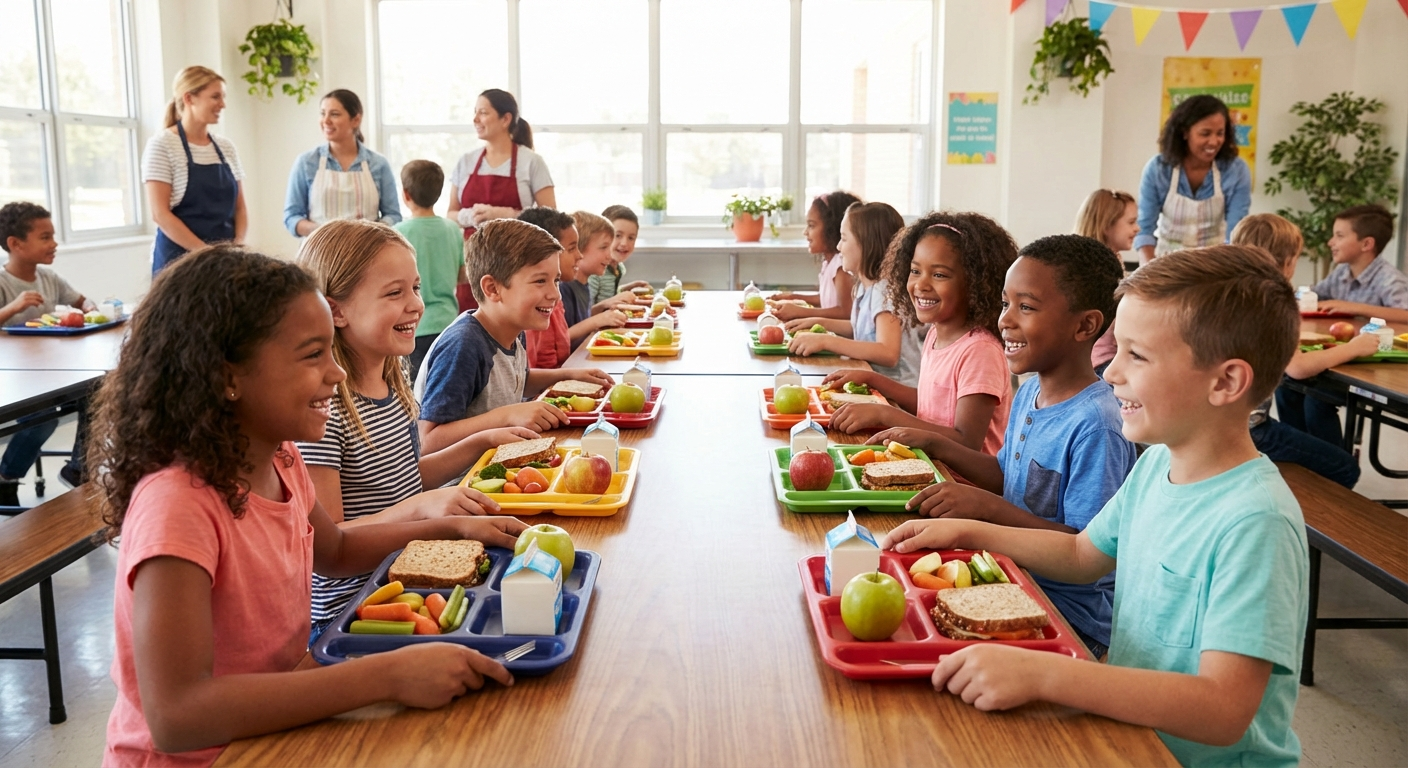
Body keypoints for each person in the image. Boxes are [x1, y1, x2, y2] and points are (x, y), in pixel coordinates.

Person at [94, 245, 527, 767]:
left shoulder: (279, 458)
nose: (336, 373)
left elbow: (338, 548)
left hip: (278, 720)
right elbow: (177, 715)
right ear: (227, 376)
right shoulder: (177, 507)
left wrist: (455, 530)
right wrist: (386, 675)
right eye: (311, 355)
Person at [883, 245, 1309, 767]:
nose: (1111, 374)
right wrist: (971, 532)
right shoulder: (1157, 467)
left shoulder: (1255, 521)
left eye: (1138, 356)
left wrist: (1047, 674)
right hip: (1133, 737)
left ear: (1225, 382)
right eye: (1118, 350)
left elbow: (1224, 710)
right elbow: (1085, 552)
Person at [872, 235, 1136, 658]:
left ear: (1085, 326)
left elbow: (1086, 549)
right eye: (1004, 303)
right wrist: (933, 443)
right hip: (1008, 575)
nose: (1005, 320)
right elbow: (1005, 475)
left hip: (1067, 616)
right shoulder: (1030, 391)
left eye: (1026, 307)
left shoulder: (1097, 425)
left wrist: (983, 508)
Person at [294, 219, 539, 639]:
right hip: (351, 612)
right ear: (335, 310)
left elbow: (404, 480)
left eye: (416, 287)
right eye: (395, 293)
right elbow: (330, 540)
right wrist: (425, 510)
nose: (416, 305)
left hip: (413, 575)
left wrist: (482, 442)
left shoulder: (393, 380)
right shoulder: (324, 408)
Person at [820, 212, 1017, 459]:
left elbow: (966, 442)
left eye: (939, 274)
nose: (921, 284)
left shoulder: (980, 351)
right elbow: (929, 405)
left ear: (975, 282)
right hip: (930, 466)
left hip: (961, 486)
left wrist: (886, 414)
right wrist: (874, 380)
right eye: (915, 271)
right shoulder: (936, 334)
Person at [416, 219, 612, 456]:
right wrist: (506, 416)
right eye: (540, 281)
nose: (555, 294)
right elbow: (426, 440)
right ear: (493, 289)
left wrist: (570, 374)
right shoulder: (464, 345)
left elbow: (517, 378)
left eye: (556, 280)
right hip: (460, 485)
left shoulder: (514, 330)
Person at [1230, 214, 1369, 487]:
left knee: (1293, 400)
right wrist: (1354, 348)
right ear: (1289, 262)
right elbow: (1298, 367)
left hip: (1218, 422)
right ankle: (1316, 516)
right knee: (1345, 467)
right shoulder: (1275, 301)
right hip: (1250, 430)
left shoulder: (1231, 294)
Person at [0, 202, 94, 508]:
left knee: (95, 393)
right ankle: (5, 478)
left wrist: (91, 308)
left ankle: (79, 468)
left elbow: (82, 301)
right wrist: (13, 308)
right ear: (15, 244)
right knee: (42, 420)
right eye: (45, 237)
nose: (54, 243)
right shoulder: (3, 283)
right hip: (16, 378)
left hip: (53, 371)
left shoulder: (50, 278)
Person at [784, 202, 922, 386]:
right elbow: (863, 329)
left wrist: (827, 341)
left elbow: (888, 353)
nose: (839, 247)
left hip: (897, 393)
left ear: (867, 244)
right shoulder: (866, 287)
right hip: (874, 383)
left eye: (844, 238)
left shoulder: (885, 290)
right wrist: (819, 323)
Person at [448, 89, 555, 312]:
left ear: (505, 119)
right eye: (475, 113)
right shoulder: (466, 162)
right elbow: (450, 214)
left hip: (517, 265)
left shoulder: (531, 162)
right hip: (472, 265)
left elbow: (551, 218)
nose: (475, 119)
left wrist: (508, 215)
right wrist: (470, 215)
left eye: (483, 113)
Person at [142, 66, 246, 274]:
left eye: (223, 97)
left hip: (225, 264)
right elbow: (160, 214)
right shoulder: (162, 145)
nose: (222, 104)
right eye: (215, 97)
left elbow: (240, 208)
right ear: (189, 98)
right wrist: (207, 253)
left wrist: (237, 249)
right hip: (178, 265)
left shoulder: (226, 148)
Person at [1135, 95, 1251, 263]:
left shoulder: (1236, 171)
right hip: (1165, 264)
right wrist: (1147, 275)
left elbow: (1235, 235)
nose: (1214, 141)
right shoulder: (1158, 169)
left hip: (1214, 265)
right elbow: (1144, 230)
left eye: (1220, 133)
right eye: (1205, 133)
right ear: (1184, 133)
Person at [283, 89, 401, 237]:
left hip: (367, 252)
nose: (326, 121)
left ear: (355, 120)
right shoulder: (306, 162)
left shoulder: (378, 164)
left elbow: (393, 215)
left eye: (334, 114)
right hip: (318, 253)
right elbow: (291, 217)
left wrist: (370, 233)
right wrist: (324, 232)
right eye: (322, 113)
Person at [393, 160, 463, 379]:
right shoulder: (452, 229)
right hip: (448, 323)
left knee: (416, 391)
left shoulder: (397, 233)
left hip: (414, 325)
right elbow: (462, 276)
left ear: (405, 194)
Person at [770, 191, 862, 321]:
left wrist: (801, 312)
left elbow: (845, 312)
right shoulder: (829, 263)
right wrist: (793, 297)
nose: (805, 232)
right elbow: (826, 299)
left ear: (832, 228)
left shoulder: (841, 266)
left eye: (811, 225)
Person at [1074, 189, 1138, 374]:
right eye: (1131, 222)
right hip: (1100, 360)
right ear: (1106, 225)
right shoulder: (1099, 267)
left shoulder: (1111, 259)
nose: (1137, 228)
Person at [1311, 204, 1408, 321]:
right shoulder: (1341, 271)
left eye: (1339, 236)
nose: (1330, 242)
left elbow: (1405, 315)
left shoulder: (1390, 279)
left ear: (1366, 244)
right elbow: (1315, 295)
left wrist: (1353, 307)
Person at [519, 207, 578, 368]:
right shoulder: (531, 310)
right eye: (572, 248)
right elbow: (525, 378)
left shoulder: (554, 298)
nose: (580, 256)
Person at [564, 210, 632, 350]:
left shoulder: (583, 283)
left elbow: (582, 319)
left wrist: (603, 307)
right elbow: (561, 337)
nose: (609, 254)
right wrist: (598, 320)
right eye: (603, 247)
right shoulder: (565, 288)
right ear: (578, 250)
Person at [589, 205, 650, 304]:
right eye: (618, 235)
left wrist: (626, 290)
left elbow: (605, 295)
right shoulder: (594, 273)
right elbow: (584, 314)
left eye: (631, 238)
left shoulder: (618, 267)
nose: (624, 243)